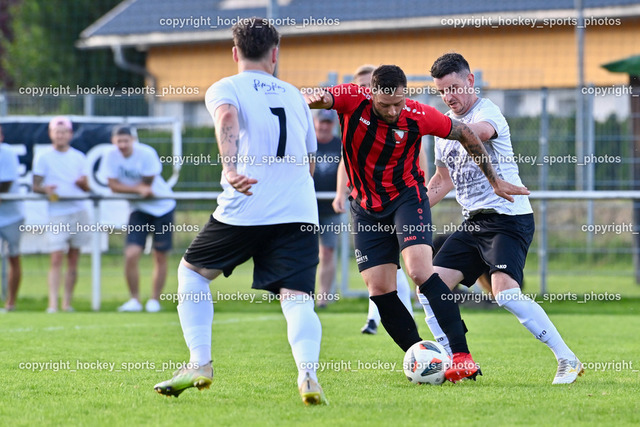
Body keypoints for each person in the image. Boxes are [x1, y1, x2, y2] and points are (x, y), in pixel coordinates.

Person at [306, 64, 529, 382]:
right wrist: (304, 99)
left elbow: (464, 133)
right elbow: (314, 98)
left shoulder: (417, 114)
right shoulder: (351, 98)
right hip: (366, 207)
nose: (394, 111)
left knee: (419, 271)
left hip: (408, 199)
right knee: (380, 288)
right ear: (371, 94)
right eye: (386, 105)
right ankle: (425, 358)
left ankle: (461, 356)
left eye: (399, 103)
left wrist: (494, 180)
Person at [154, 18, 327, 405]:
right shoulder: (296, 96)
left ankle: (200, 362)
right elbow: (310, 161)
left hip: (246, 207)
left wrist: (231, 169)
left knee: (192, 273)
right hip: (299, 211)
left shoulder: (225, 87)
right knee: (296, 297)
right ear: (275, 53)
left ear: (235, 52)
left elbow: (228, 118)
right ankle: (308, 373)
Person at [424, 52, 583, 384]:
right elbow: (441, 181)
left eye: (454, 87)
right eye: (442, 91)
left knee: (505, 292)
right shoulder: (444, 128)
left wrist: (440, 125)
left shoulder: (487, 112)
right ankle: (453, 360)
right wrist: (410, 212)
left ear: (470, 81)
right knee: (429, 287)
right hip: (474, 223)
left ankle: (567, 359)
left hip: (508, 217)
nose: (449, 96)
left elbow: (475, 132)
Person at [332, 64, 414, 335]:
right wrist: (340, 191)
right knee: (381, 271)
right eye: (363, 86)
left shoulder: (399, 118)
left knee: (409, 266)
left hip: (401, 200)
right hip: (369, 206)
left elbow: (417, 158)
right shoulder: (356, 118)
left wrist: (419, 198)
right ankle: (379, 319)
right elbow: (347, 159)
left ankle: (404, 319)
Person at [102, 125, 176, 313]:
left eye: (126, 141)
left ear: (133, 141)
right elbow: (114, 186)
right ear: (113, 141)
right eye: (119, 141)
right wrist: (136, 190)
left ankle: (154, 300)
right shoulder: (110, 156)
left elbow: (147, 186)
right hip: (138, 210)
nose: (122, 145)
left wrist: (134, 188)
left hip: (162, 208)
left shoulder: (147, 154)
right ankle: (134, 300)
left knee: (159, 255)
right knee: (131, 254)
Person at [33, 116, 90, 313]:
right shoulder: (43, 157)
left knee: (74, 257)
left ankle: (67, 303)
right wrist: (46, 189)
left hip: (78, 210)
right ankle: (53, 304)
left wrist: (82, 185)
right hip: (57, 212)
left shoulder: (79, 157)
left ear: (70, 134)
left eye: (64, 132)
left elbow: (87, 187)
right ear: (51, 134)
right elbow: (35, 186)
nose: (60, 135)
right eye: (57, 132)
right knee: (56, 257)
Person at [312, 109, 342, 308]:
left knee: (328, 252)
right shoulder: (307, 143)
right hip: (306, 208)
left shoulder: (339, 145)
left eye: (328, 123)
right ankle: (299, 295)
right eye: (321, 122)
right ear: (315, 122)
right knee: (303, 251)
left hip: (331, 209)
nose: (324, 126)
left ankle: (323, 298)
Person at [0, 125, 24, 311]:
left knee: (13, 258)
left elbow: (5, 185)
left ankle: (11, 302)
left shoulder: (7, 153)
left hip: (11, 216)